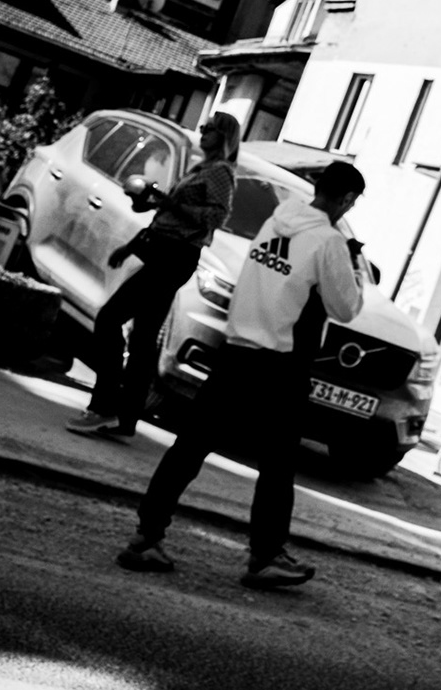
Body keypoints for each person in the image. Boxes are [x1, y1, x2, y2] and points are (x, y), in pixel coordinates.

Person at [116, 157, 367, 588]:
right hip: (279, 363)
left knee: (190, 447)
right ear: (346, 199)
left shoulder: (276, 221)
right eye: (352, 202)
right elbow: (346, 307)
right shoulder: (328, 242)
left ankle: (146, 536)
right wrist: (351, 265)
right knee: (278, 464)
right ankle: (265, 556)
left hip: (234, 351)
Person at [67, 111, 241, 439]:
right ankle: (125, 417)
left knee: (110, 319)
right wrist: (134, 242)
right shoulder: (201, 167)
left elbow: (216, 218)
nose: (202, 133)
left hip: (175, 256)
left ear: (224, 137)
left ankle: (104, 406)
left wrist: (173, 205)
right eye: (203, 127)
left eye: (209, 129)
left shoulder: (221, 171)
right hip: (161, 250)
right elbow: (167, 215)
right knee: (143, 338)